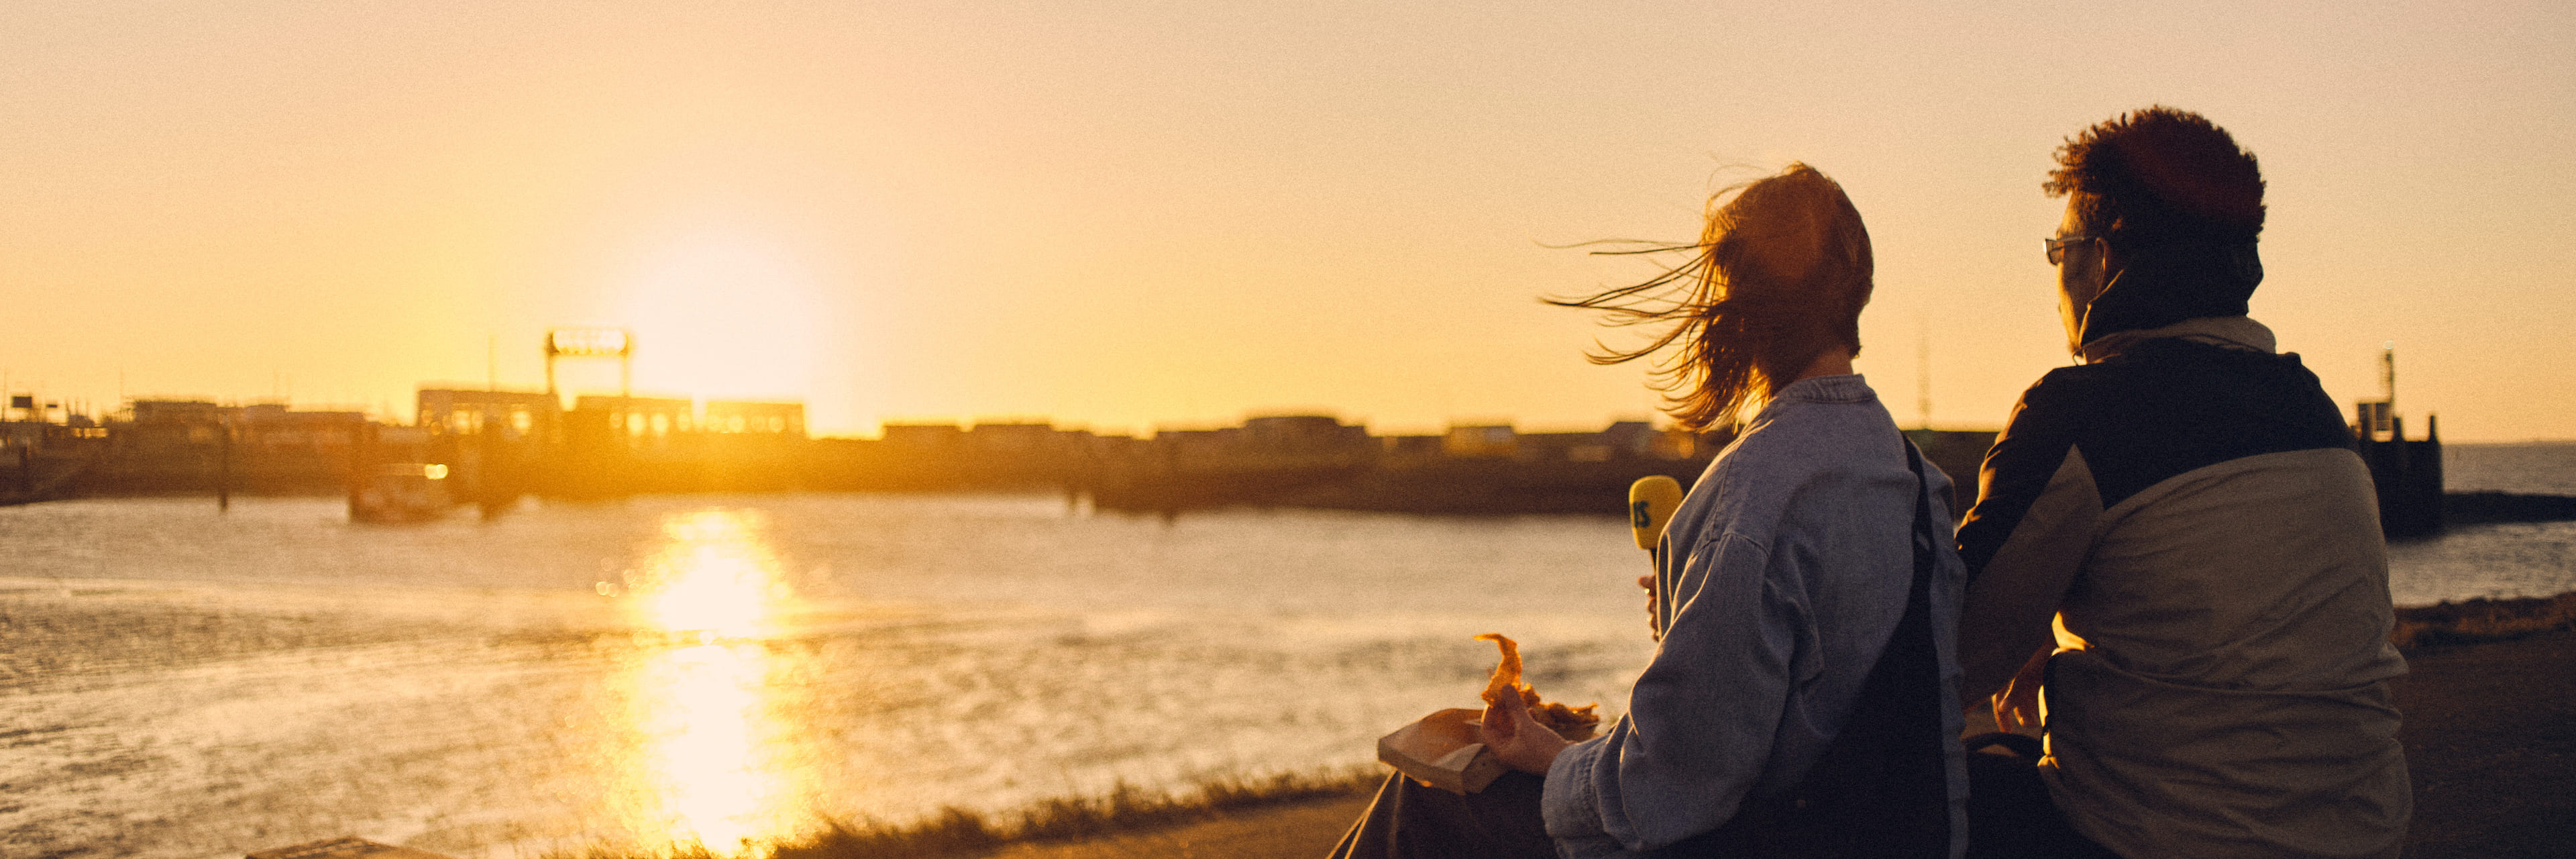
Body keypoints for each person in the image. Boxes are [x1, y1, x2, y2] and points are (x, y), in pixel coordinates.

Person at [1330, 163, 1969, 859]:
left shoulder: (1753, 495)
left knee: (1422, 802)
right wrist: (1690, 620)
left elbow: (1666, 788)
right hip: (1902, 835)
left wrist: (1551, 755)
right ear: (1859, 292)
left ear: (1736, 306)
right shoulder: (1916, 481)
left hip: (1769, 839)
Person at [1954, 106, 2411, 858]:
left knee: (1925, 795)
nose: (2057, 276)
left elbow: (1953, 651)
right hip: (2365, 831)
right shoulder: (2314, 410)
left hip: (2167, 839)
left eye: (2058, 250)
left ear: (2100, 260)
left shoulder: (2083, 410)